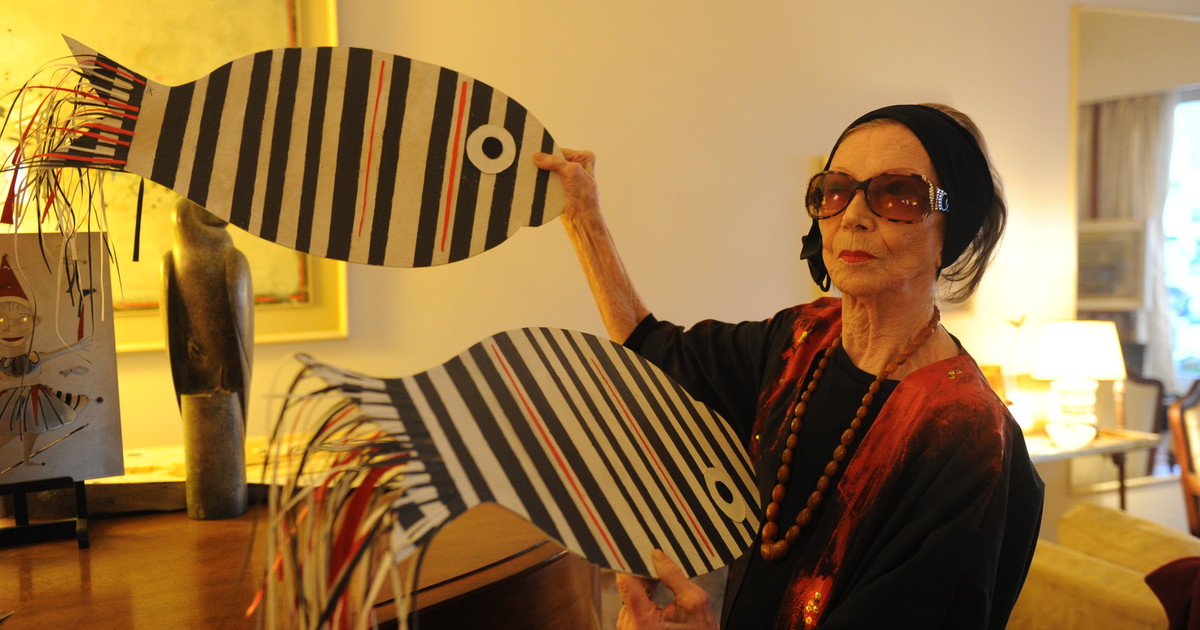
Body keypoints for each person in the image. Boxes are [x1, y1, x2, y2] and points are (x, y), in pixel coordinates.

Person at [534, 103, 1045, 629]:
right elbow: (656, 355)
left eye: (897, 194)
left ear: (950, 231)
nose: (853, 216)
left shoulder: (969, 434)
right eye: (836, 191)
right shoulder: (801, 340)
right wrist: (584, 217)